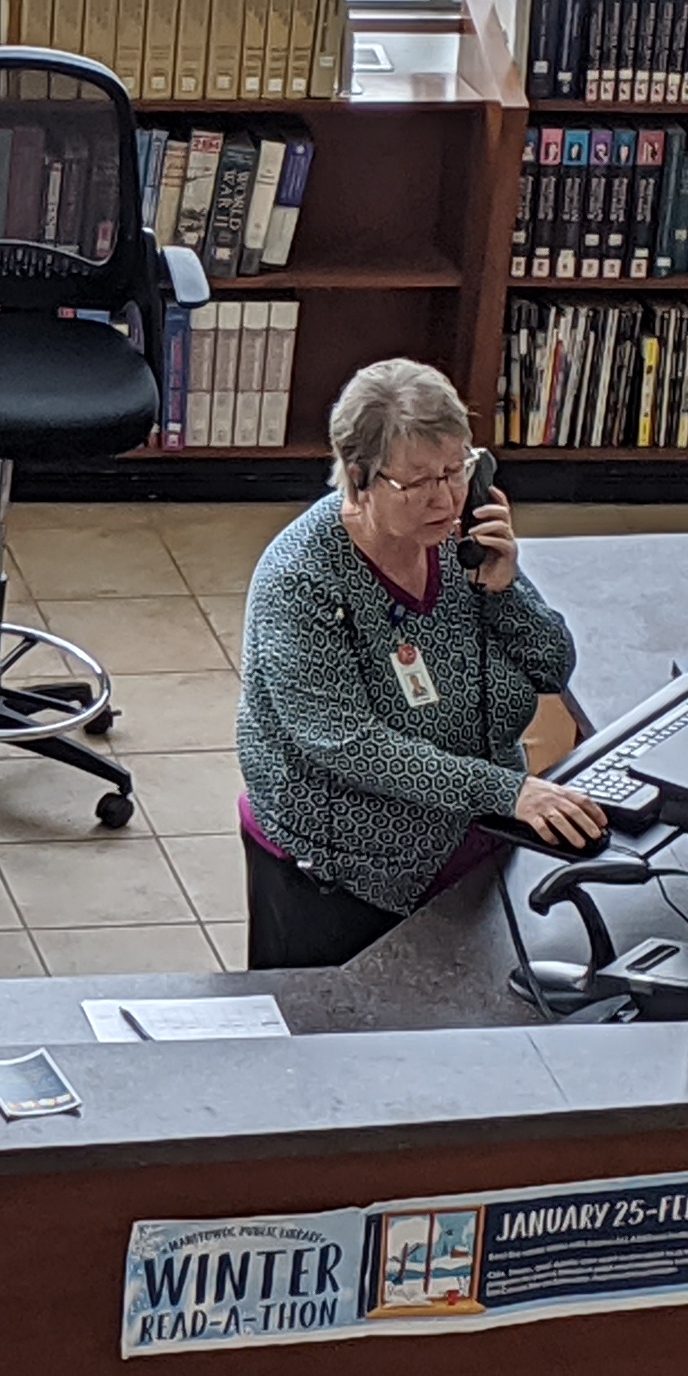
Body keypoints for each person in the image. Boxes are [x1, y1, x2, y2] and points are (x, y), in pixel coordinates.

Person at [235, 358, 598, 971]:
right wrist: (505, 791)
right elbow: (348, 743)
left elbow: (551, 667)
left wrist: (505, 588)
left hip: (480, 835)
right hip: (349, 866)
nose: (446, 498)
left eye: (457, 471)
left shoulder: (460, 543)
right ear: (359, 478)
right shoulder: (300, 579)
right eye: (419, 482)